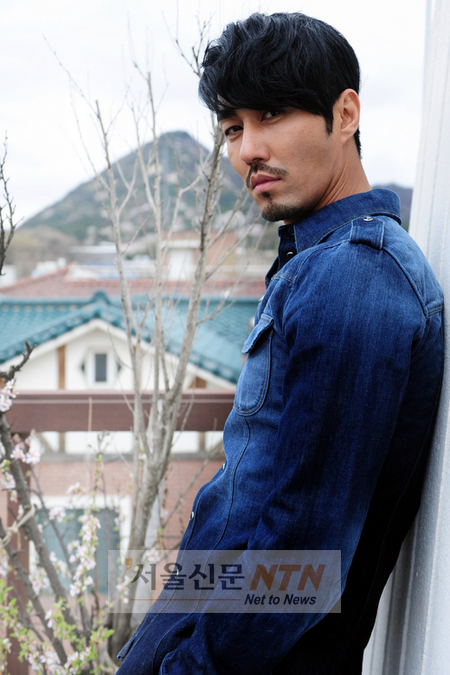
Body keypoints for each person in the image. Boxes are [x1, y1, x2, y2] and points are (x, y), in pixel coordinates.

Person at [117, 12, 444, 674]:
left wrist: (188, 665)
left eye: (270, 113)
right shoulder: (319, 265)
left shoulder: (354, 278)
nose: (247, 149)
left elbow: (304, 553)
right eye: (233, 128)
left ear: (344, 114)